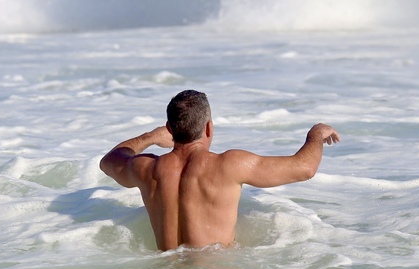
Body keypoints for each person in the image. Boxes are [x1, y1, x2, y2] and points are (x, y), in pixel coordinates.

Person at [100, 90, 340, 251]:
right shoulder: (229, 165)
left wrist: (151, 137)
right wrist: (316, 133)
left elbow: (110, 160)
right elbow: (305, 168)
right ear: (208, 127)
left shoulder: (147, 168)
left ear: (169, 129)